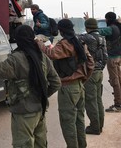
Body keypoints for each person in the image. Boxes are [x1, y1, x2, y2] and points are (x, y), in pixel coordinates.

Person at [0, 25, 61, 148]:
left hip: (24, 113)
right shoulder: (41, 56)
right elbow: (56, 82)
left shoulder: (16, 59)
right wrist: (42, 94)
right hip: (40, 110)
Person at [36, 19, 94, 148]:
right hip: (79, 86)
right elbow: (90, 63)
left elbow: (51, 54)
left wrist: (40, 43)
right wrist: (83, 79)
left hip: (68, 87)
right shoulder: (79, 41)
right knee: (79, 119)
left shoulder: (65, 44)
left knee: (68, 122)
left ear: (61, 30)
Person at [78, 18, 108, 135]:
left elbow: (73, 37)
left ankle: (95, 127)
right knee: (98, 100)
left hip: (91, 72)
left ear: (87, 27)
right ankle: (100, 125)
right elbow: (105, 56)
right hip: (99, 71)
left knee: (90, 101)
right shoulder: (101, 38)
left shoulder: (87, 38)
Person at [98, 12, 121, 112]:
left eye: (106, 18)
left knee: (115, 81)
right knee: (119, 80)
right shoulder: (118, 27)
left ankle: (118, 105)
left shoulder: (111, 28)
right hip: (118, 56)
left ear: (108, 19)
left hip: (112, 58)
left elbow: (96, 31)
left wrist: (87, 21)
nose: (105, 20)